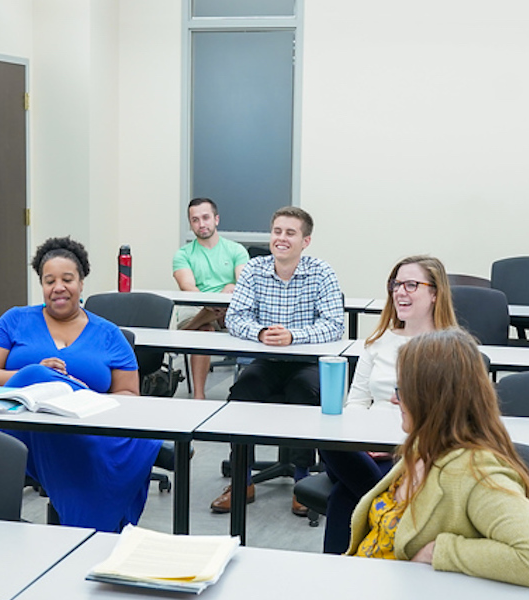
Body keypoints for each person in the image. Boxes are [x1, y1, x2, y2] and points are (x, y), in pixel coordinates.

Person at [346, 328, 529, 588]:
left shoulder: (476, 471)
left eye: (403, 390)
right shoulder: (424, 447)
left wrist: (440, 551)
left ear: (433, 399)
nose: (394, 399)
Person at [0, 236, 161, 532]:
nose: (58, 287)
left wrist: (77, 394)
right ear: (42, 286)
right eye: (49, 281)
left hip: (86, 431)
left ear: (81, 283)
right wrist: (36, 373)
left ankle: (86, 535)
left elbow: (128, 395)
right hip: (24, 430)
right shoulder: (15, 320)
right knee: (35, 377)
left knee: (91, 452)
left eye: (67, 279)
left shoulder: (110, 334)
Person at [319, 255, 458, 554]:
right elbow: (356, 402)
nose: (400, 292)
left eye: (411, 285)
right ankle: (382, 504)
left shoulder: (453, 348)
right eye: (396, 284)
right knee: (327, 441)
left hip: (416, 454)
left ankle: (333, 577)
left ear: (435, 293)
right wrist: (360, 437)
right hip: (363, 451)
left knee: (343, 496)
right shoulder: (378, 341)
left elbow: (456, 420)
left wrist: (399, 445)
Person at [214, 206, 345, 515]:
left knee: (303, 394)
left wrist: (293, 336)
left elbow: (335, 325)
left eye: (290, 233)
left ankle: (303, 484)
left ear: (306, 241)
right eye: (277, 231)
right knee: (242, 393)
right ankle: (242, 481)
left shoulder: (321, 271)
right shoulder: (254, 269)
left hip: (307, 362)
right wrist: (261, 333)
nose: (281, 239)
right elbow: (235, 318)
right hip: (267, 358)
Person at [172, 197, 251, 399]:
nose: (201, 224)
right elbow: (187, 287)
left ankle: (201, 319)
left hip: (229, 308)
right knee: (204, 331)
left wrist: (225, 297)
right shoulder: (183, 254)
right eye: (195, 220)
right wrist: (209, 304)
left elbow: (244, 284)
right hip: (196, 305)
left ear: (216, 219)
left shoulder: (236, 250)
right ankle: (199, 396)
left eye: (205, 218)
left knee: (231, 286)